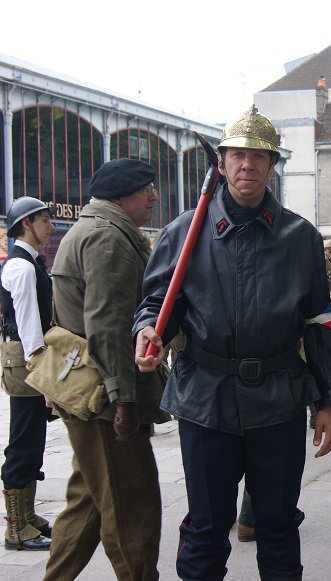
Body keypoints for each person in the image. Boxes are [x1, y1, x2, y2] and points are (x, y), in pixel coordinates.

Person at [134, 105, 331, 581]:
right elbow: (156, 305)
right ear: (222, 162)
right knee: (206, 529)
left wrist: (327, 401)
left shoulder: (300, 237)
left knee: (278, 526)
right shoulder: (184, 231)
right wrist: (149, 333)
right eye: (237, 155)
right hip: (206, 399)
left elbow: (319, 323)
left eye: (258, 156)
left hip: (280, 399)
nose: (247, 164)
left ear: (272, 165)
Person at [43, 159, 169, 580]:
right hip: (104, 399)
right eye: (145, 189)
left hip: (90, 394)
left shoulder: (96, 230)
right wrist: (125, 400)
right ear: (120, 195)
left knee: (90, 504)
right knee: (133, 509)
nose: (153, 197)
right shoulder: (108, 238)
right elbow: (109, 326)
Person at [1, 197, 55, 551]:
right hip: (27, 361)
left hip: (27, 360)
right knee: (23, 442)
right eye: (44, 220)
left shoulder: (29, 263)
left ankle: (27, 515)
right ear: (26, 225)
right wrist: (45, 376)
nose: (50, 226)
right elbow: (28, 325)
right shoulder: (21, 267)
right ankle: (16, 528)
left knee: (32, 438)